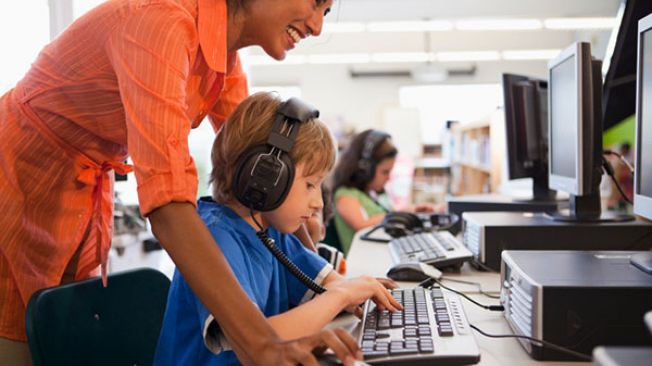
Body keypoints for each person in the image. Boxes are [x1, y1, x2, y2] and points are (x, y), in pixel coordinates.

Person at [0, 0, 359, 365]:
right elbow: (168, 204)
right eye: (315, 3)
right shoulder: (162, 25)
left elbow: (263, 171)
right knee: (18, 344)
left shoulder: (223, 57)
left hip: (77, 193)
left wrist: (318, 269)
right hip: (17, 179)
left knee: (66, 336)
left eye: (326, 12)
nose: (317, 27)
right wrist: (263, 344)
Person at [153, 92, 401, 365]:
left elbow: (329, 283)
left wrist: (359, 289)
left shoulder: (270, 231)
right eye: (310, 184)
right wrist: (342, 295)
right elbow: (260, 341)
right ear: (266, 177)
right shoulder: (215, 238)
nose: (318, 202)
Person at [331, 129, 435, 255]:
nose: (389, 177)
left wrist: (409, 212)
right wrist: (397, 215)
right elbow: (362, 226)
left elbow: (382, 216)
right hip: (363, 263)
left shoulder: (372, 193)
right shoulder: (345, 195)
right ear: (365, 169)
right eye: (385, 172)